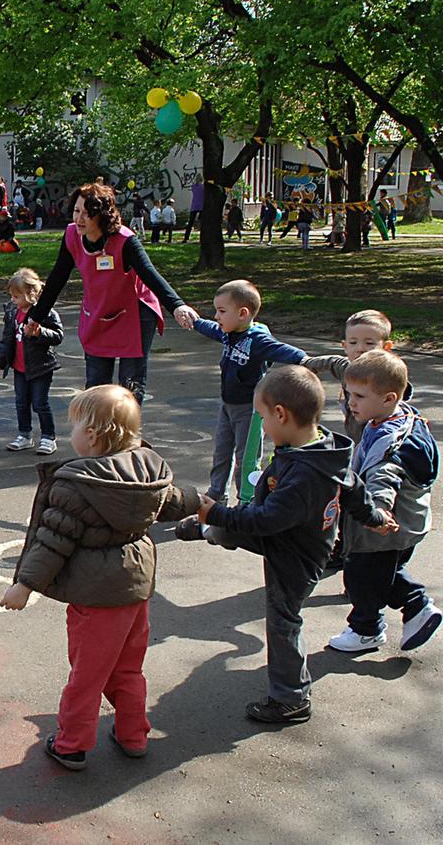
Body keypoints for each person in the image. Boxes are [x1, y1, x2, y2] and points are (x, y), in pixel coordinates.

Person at [0, 385, 199, 770]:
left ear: (91, 435)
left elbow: (52, 541)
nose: (71, 432)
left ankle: (72, 744)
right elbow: (173, 500)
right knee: (127, 668)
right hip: (135, 588)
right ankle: (133, 735)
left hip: (96, 598)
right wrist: (203, 503)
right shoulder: (148, 470)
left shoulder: (77, 484)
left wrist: (25, 585)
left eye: (74, 426)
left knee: (87, 676)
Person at [192, 366, 388, 724]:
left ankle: (291, 699)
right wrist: (373, 516)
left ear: (281, 414)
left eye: (264, 418)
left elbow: (267, 521)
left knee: (283, 620)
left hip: (295, 553)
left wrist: (217, 514)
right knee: (231, 523)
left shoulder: (304, 475)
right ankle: (210, 528)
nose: (263, 427)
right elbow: (355, 489)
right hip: (289, 532)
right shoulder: (320, 448)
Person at [26, 182, 198, 403]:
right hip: (98, 312)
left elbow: (149, 274)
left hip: (135, 314)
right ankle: (98, 436)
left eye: (87, 214)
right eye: (76, 211)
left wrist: (177, 305)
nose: (79, 219)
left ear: (102, 215)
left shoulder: (124, 241)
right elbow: (58, 278)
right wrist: (36, 317)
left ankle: (126, 435)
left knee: (129, 387)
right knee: (96, 387)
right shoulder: (72, 236)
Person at [327, 351, 441, 653]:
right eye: (349, 394)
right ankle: (412, 609)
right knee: (381, 575)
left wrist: (376, 512)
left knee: (363, 578)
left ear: (389, 398)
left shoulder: (389, 444)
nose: (351, 403)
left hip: (384, 527)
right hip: (406, 525)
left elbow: (384, 478)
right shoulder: (401, 414)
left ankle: (368, 629)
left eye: (360, 396)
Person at [183, 280, 307, 509]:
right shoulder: (227, 333)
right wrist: (196, 321)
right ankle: (216, 494)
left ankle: (247, 500)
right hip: (227, 405)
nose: (217, 316)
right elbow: (210, 328)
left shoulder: (256, 339)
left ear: (242, 313)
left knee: (246, 458)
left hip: (249, 410)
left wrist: (305, 360)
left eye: (221, 311)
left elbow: (280, 349)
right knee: (221, 452)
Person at [0, 269, 63, 455]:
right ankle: (24, 434)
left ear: (31, 294)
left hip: (40, 367)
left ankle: (48, 437)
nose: (13, 300)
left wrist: (40, 332)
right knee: (21, 402)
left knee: (40, 403)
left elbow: (58, 336)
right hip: (19, 367)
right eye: (12, 296)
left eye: (16, 296)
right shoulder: (12, 313)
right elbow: (6, 340)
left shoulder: (45, 313)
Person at [303, 309, 400, 445]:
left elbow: (400, 386)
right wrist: (303, 364)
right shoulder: (345, 367)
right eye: (353, 343)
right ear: (345, 346)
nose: (360, 348)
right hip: (355, 433)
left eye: (369, 343)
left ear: (386, 347)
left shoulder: (385, 373)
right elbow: (331, 362)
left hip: (378, 437)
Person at [182, 176, 204, 242]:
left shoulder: (193, 186)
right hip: (202, 206)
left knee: (190, 222)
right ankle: (202, 238)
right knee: (202, 223)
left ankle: (186, 237)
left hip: (194, 205)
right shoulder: (203, 187)